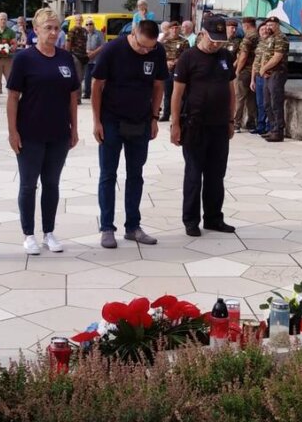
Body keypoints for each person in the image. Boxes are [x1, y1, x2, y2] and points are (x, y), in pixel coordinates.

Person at [6, 8, 79, 255]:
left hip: (58, 132)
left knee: (52, 183)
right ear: (35, 30)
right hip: (30, 132)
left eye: (56, 28)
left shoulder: (65, 58)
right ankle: (28, 234)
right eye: (48, 27)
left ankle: (49, 232)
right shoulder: (24, 59)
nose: (53, 32)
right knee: (28, 185)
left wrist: (74, 128)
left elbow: (72, 96)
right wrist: (12, 131)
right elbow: (13, 97)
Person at [91, 19, 167, 249]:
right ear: (133, 34)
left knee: (136, 175)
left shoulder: (157, 51)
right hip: (111, 120)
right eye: (141, 46)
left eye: (149, 48)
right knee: (108, 175)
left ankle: (133, 226)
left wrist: (154, 118)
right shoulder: (112, 50)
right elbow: (96, 86)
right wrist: (97, 121)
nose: (145, 51)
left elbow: (158, 85)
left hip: (140, 121)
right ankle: (107, 227)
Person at [170, 16, 236, 236]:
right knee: (193, 175)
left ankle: (214, 218)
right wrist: (175, 124)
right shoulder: (188, 58)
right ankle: (190, 220)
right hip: (195, 125)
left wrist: (231, 119)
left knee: (216, 175)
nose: (216, 44)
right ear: (202, 34)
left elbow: (231, 91)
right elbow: (177, 94)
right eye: (212, 39)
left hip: (219, 125)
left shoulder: (225, 56)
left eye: (220, 40)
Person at [257, 17, 290, 142]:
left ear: (277, 25)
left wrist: (263, 68)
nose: (269, 27)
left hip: (277, 73)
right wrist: (263, 70)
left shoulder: (281, 38)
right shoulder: (269, 39)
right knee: (267, 103)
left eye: (271, 25)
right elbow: (264, 56)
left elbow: (277, 57)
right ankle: (272, 128)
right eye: (268, 25)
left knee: (276, 102)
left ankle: (278, 131)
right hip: (268, 74)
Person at [159, 19, 189, 121]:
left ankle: (179, 114)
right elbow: (159, 53)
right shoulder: (165, 41)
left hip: (179, 69)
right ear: (169, 30)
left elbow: (186, 55)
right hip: (167, 69)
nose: (175, 30)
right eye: (172, 28)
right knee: (167, 93)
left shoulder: (184, 41)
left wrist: (176, 62)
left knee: (179, 93)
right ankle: (166, 114)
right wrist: (167, 62)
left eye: (177, 28)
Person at [233, 17, 258, 132]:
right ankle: (252, 123)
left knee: (239, 98)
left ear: (246, 26)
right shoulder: (260, 36)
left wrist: (237, 71)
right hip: (255, 72)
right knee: (251, 99)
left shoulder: (248, 38)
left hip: (245, 72)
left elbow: (243, 56)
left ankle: (236, 124)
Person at [250, 20, 272, 135]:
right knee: (259, 103)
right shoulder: (259, 44)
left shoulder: (271, 43)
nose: (264, 31)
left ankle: (269, 126)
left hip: (267, 76)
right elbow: (255, 62)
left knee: (267, 102)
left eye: (265, 29)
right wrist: (252, 79)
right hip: (258, 77)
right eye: (261, 29)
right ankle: (260, 125)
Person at [83, 18, 105, 100]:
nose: (89, 26)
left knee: (97, 77)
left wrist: (94, 53)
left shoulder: (99, 33)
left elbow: (102, 46)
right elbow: (80, 45)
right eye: (87, 24)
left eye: (90, 24)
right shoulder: (84, 34)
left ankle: (97, 93)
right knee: (87, 77)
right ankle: (87, 93)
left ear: (93, 25)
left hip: (97, 59)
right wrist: (86, 51)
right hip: (87, 59)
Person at [66, 14, 89, 82]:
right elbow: (68, 43)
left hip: (84, 56)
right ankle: (77, 92)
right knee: (79, 77)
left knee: (82, 77)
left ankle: (78, 91)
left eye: (80, 20)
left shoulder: (84, 31)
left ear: (82, 21)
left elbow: (87, 41)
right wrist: (68, 55)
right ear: (75, 21)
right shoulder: (72, 30)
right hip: (75, 55)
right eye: (77, 20)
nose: (78, 21)